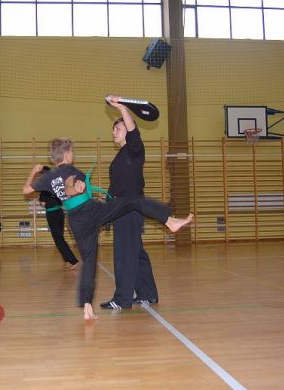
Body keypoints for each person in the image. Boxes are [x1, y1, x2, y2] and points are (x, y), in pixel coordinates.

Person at [23, 139, 193, 320]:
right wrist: (77, 188)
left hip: (75, 221)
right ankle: (169, 221)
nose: (73, 155)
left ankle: (87, 306)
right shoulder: (72, 171)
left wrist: (34, 171)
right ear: (66, 154)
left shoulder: (48, 177)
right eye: (71, 152)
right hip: (91, 212)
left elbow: (26, 190)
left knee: (89, 262)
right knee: (132, 201)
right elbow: (70, 186)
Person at [100, 95, 159, 310]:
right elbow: (118, 185)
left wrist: (122, 107)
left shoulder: (135, 149)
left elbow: (133, 130)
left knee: (125, 253)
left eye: (117, 128)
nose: (113, 132)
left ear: (127, 129)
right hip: (123, 208)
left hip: (129, 208)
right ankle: (148, 293)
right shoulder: (122, 155)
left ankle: (122, 299)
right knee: (136, 252)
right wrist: (107, 205)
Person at [39, 166, 80, 270]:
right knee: (60, 237)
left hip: (52, 214)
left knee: (58, 239)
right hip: (60, 213)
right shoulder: (57, 185)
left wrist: (45, 200)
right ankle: (67, 260)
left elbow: (43, 203)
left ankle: (73, 261)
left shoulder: (45, 188)